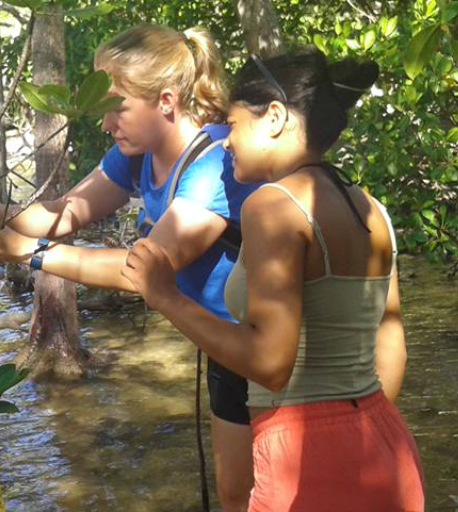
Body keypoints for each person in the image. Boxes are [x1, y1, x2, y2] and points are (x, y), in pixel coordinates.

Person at [0, 24, 259, 511]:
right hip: (222, 346)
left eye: (116, 106)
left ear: (167, 101)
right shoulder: (137, 153)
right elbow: (61, 212)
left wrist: (27, 252)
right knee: (236, 492)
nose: (105, 123)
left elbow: (142, 271)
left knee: (267, 491)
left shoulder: (214, 165)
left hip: (259, 343)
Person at [122, 48, 424, 512]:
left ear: (276, 117)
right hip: (383, 442)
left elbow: (270, 363)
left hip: (303, 457)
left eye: (235, 124)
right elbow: (392, 346)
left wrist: (165, 296)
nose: (225, 141)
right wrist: (351, 425)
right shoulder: (370, 207)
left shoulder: (271, 207)